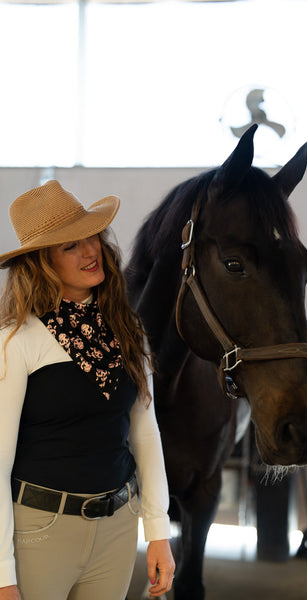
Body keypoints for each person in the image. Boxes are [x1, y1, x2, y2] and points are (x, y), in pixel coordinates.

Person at [0, 180, 175, 600]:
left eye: (91, 237)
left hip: (117, 527)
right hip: (39, 531)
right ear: (41, 262)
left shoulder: (128, 330)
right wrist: (3, 575)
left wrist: (158, 531)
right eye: (70, 246)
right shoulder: (16, 340)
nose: (91, 250)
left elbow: (145, 433)